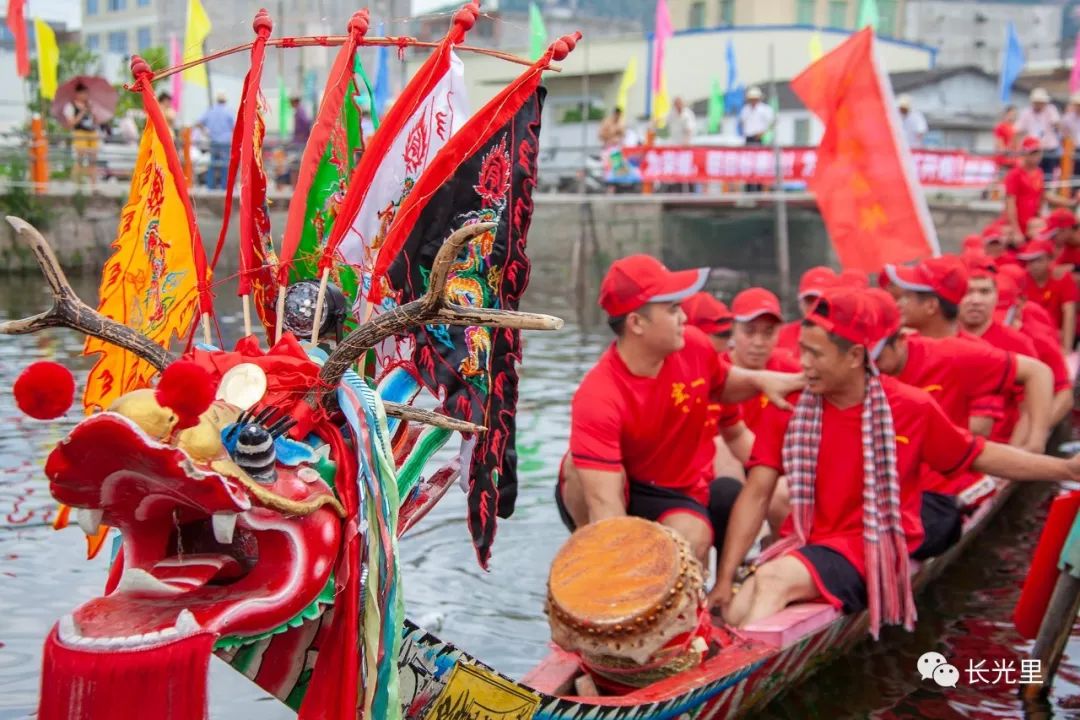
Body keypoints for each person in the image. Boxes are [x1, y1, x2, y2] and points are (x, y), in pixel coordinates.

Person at [712, 285, 1080, 636]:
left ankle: (734, 683)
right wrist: (725, 580)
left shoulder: (911, 408)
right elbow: (757, 493)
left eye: (816, 355)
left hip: (876, 546)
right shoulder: (790, 403)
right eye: (803, 350)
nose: (803, 364)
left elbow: (980, 455)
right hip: (811, 540)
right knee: (738, 607)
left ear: (856, 356)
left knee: (774, 580)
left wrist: (1063, 468)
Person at [557, 255, 805, 569]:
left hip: (672, 490)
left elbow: (723, 382)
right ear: (636, 323)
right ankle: (594, 556)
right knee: (576, 467)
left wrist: (764, 381)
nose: (683, 318)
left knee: (693, 538)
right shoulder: (598, 395)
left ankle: (691, 596)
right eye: (673, 309)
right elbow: (606, 505)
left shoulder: (693, 345)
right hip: (612, 487)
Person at [1003, 136, 1077, 244]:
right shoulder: (1014, 175)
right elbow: (1010, 204)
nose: (1036, 156)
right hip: (1021, 225)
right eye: (1032, 153)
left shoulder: (1039, 173)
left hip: (1032, 224)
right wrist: (1016, 231)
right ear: (1024, 154)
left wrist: (1070, 202)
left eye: (1038, 153)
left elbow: (1044, 195)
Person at [1018, 239, 1079, 350]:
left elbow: (1069, 312)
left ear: (1050, 259)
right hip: (1031, 338)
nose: (1034, 265)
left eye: (1038, 260)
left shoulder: (1063, 278)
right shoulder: (1022, 280)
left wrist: (1066, 349)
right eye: (1030, 261)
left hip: (1059, 335)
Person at [776, 266, 837, 354]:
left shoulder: (843, 342)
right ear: (800, 303)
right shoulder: (782, 336)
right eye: (809, 301)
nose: (815, 307)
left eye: (822, 302)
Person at [1016, 88, 1062, 178]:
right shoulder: (1026, 112)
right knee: (1032, 174)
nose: (1039, 104)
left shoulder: (1051, 110)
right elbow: (1018, 130)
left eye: (1041, 102)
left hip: (1049, 148)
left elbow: (1057, 124)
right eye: (1037, 102)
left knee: (1048, 175)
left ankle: (1046, 190)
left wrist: (1055, 123)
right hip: (1032, 150)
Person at [63, 82, 100, 187]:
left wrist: (91, 111)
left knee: (93, 160)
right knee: (80, 159)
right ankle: (77, 184)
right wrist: (82, 112)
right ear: (77, 94)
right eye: (83, 93)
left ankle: (93, 186)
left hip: (92, 133)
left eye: (86, 93)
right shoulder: (70, 106)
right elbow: (71, 123)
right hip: (80, 132)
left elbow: (96, 121)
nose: (85, 96)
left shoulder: (90, 105)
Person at [197, 92, 236, 190]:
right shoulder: (229, 111)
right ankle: (225, 187)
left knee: (212, 164)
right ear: (225, 100)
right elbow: (235, 126)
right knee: (225, 165)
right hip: (225, 142)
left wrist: (206, 132)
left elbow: (199, 122)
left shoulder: (211, 110)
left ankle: (210, 186)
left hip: (213, 140)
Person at [994, 105, 1018, 174]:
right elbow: (999, 144)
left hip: (1014, 159)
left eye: (1014, 115)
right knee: (1002, 179)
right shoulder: (1001, 127)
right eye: (1011, 114)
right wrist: (1005, 152)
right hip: (1004, 159)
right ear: (1006, 114)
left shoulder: (1015, 127)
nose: (1013, 116)